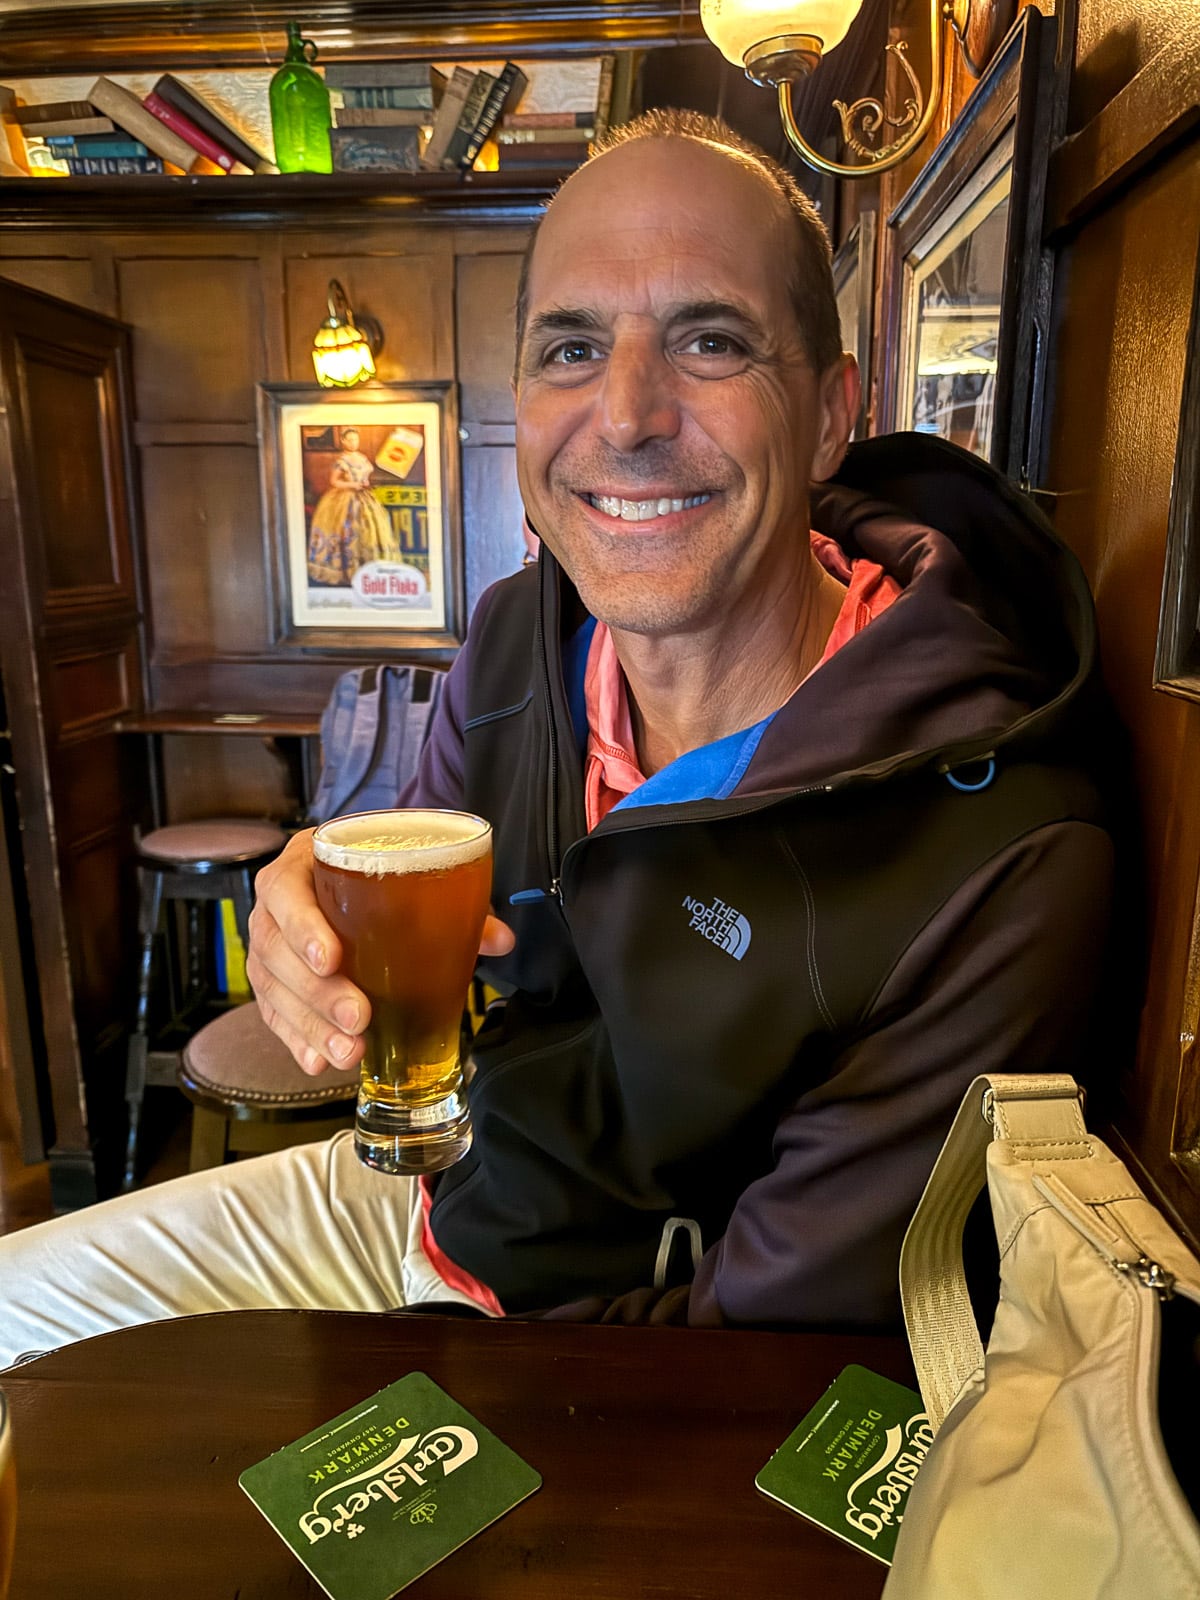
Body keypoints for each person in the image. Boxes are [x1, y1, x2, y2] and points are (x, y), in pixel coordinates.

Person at [0, 110, 1115, 1364]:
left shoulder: (1002, 846)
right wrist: (300, 925)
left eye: (711, 339)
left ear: (826, 415)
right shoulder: (515, 642)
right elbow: (382, 895)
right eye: (573, 348)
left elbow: (765, 1351)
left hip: (622, 1362)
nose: (627, 415)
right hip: (422, 1201)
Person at [306, 425, 400, 586]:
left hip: (364, 497)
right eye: (349, 440)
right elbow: (334, 481)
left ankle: (370, 568)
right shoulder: (341, 461)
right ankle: (346, 569)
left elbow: (366, 475)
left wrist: (364, 482)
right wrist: (351, 485)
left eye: (355, 439)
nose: (353, 443)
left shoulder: (362, 458)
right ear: (343, 441)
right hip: (344, 499)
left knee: (371, 528)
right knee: (347, 529)